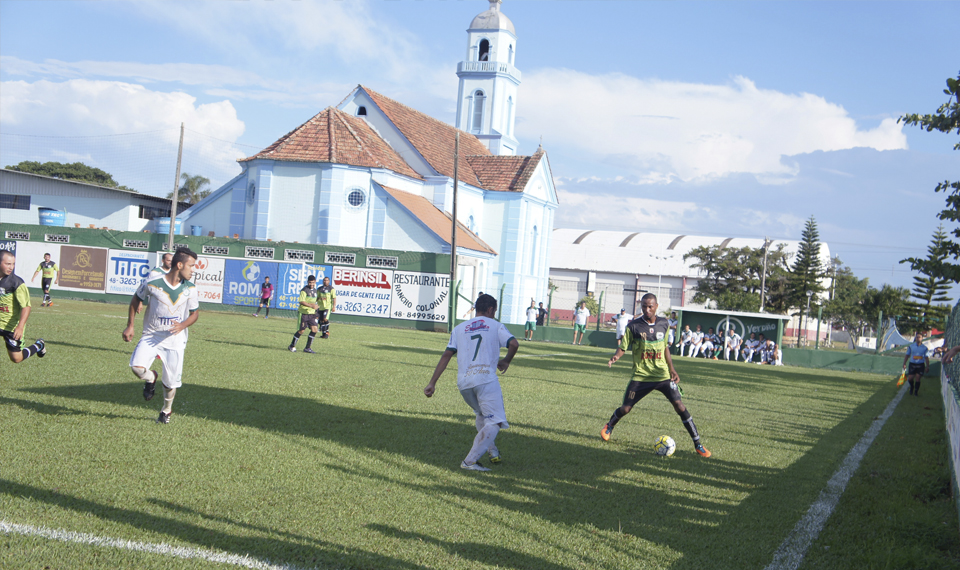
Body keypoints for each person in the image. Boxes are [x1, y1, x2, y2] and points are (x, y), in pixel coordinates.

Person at [602, 293, 711, 457]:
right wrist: (616, 356)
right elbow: (623, 347)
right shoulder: (633, 326)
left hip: (662, 375)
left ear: (656, 306)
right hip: (641, 376)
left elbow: (665, 347)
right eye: (644, 306)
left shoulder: (664, 323)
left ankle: (698, 444)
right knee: (625, 408)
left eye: (650, 306)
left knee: (680, 406)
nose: (647, 309)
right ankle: (609, 426)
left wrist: (672, 369)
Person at [424, 293, 519, 471]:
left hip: (464, 382)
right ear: (491, 309)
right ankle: (469, 462)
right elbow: (514, 344)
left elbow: (447, 355)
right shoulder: (495, 325)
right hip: (485, 379)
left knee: (481, 414)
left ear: (477, 309)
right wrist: (506, 360)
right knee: (495, 421)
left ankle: (492, 451)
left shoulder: (459, 328)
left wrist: (432, 383)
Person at [122, 248, 199, 424]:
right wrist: (130, 325)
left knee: (170, 383)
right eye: (191, 265)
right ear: (179, 265)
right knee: (136, 367)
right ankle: (151, 378)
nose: (193, 270)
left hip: (175, 340)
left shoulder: (191, 289)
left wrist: (182, 325)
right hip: (152, 335)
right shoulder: (153, 282)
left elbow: (195, 314)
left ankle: (166, 410)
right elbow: (136, 299)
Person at [1, 250, 47, 363]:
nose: (11, 267)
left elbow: (26, 307)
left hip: (11, 326)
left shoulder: (16, 283)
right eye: (8, 264)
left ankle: (39, 345)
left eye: (13, 264)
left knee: (17, 358)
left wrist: (20, 327)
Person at [288, 275, 319, 353]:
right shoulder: (304, 290)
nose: (311, 284)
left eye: (313, 282)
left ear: (315, 282)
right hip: (304, 314)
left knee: (315, 330)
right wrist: (312, 305)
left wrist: (316, 311)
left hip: (312, 314)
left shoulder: (315, 291)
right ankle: (291, 346)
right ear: (307, 282)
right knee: (301, 331)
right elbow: (301, 301)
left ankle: (307, 348)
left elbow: (315, 302)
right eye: (310, 282)